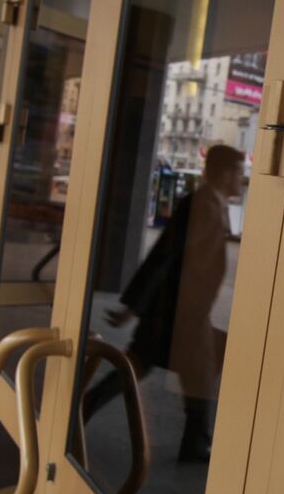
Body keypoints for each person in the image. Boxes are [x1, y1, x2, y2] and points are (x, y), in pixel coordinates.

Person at [83, 144, 244, 463]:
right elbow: (164, 257)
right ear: (226, 174)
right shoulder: (201, 206)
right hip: (178, 313)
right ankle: (195, 441)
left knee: (150, 366)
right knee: (194, 368)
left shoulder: (211, 204)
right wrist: (134, 306)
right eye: (239, 172)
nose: (242, 179)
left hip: (182, 313)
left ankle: (195, 439)